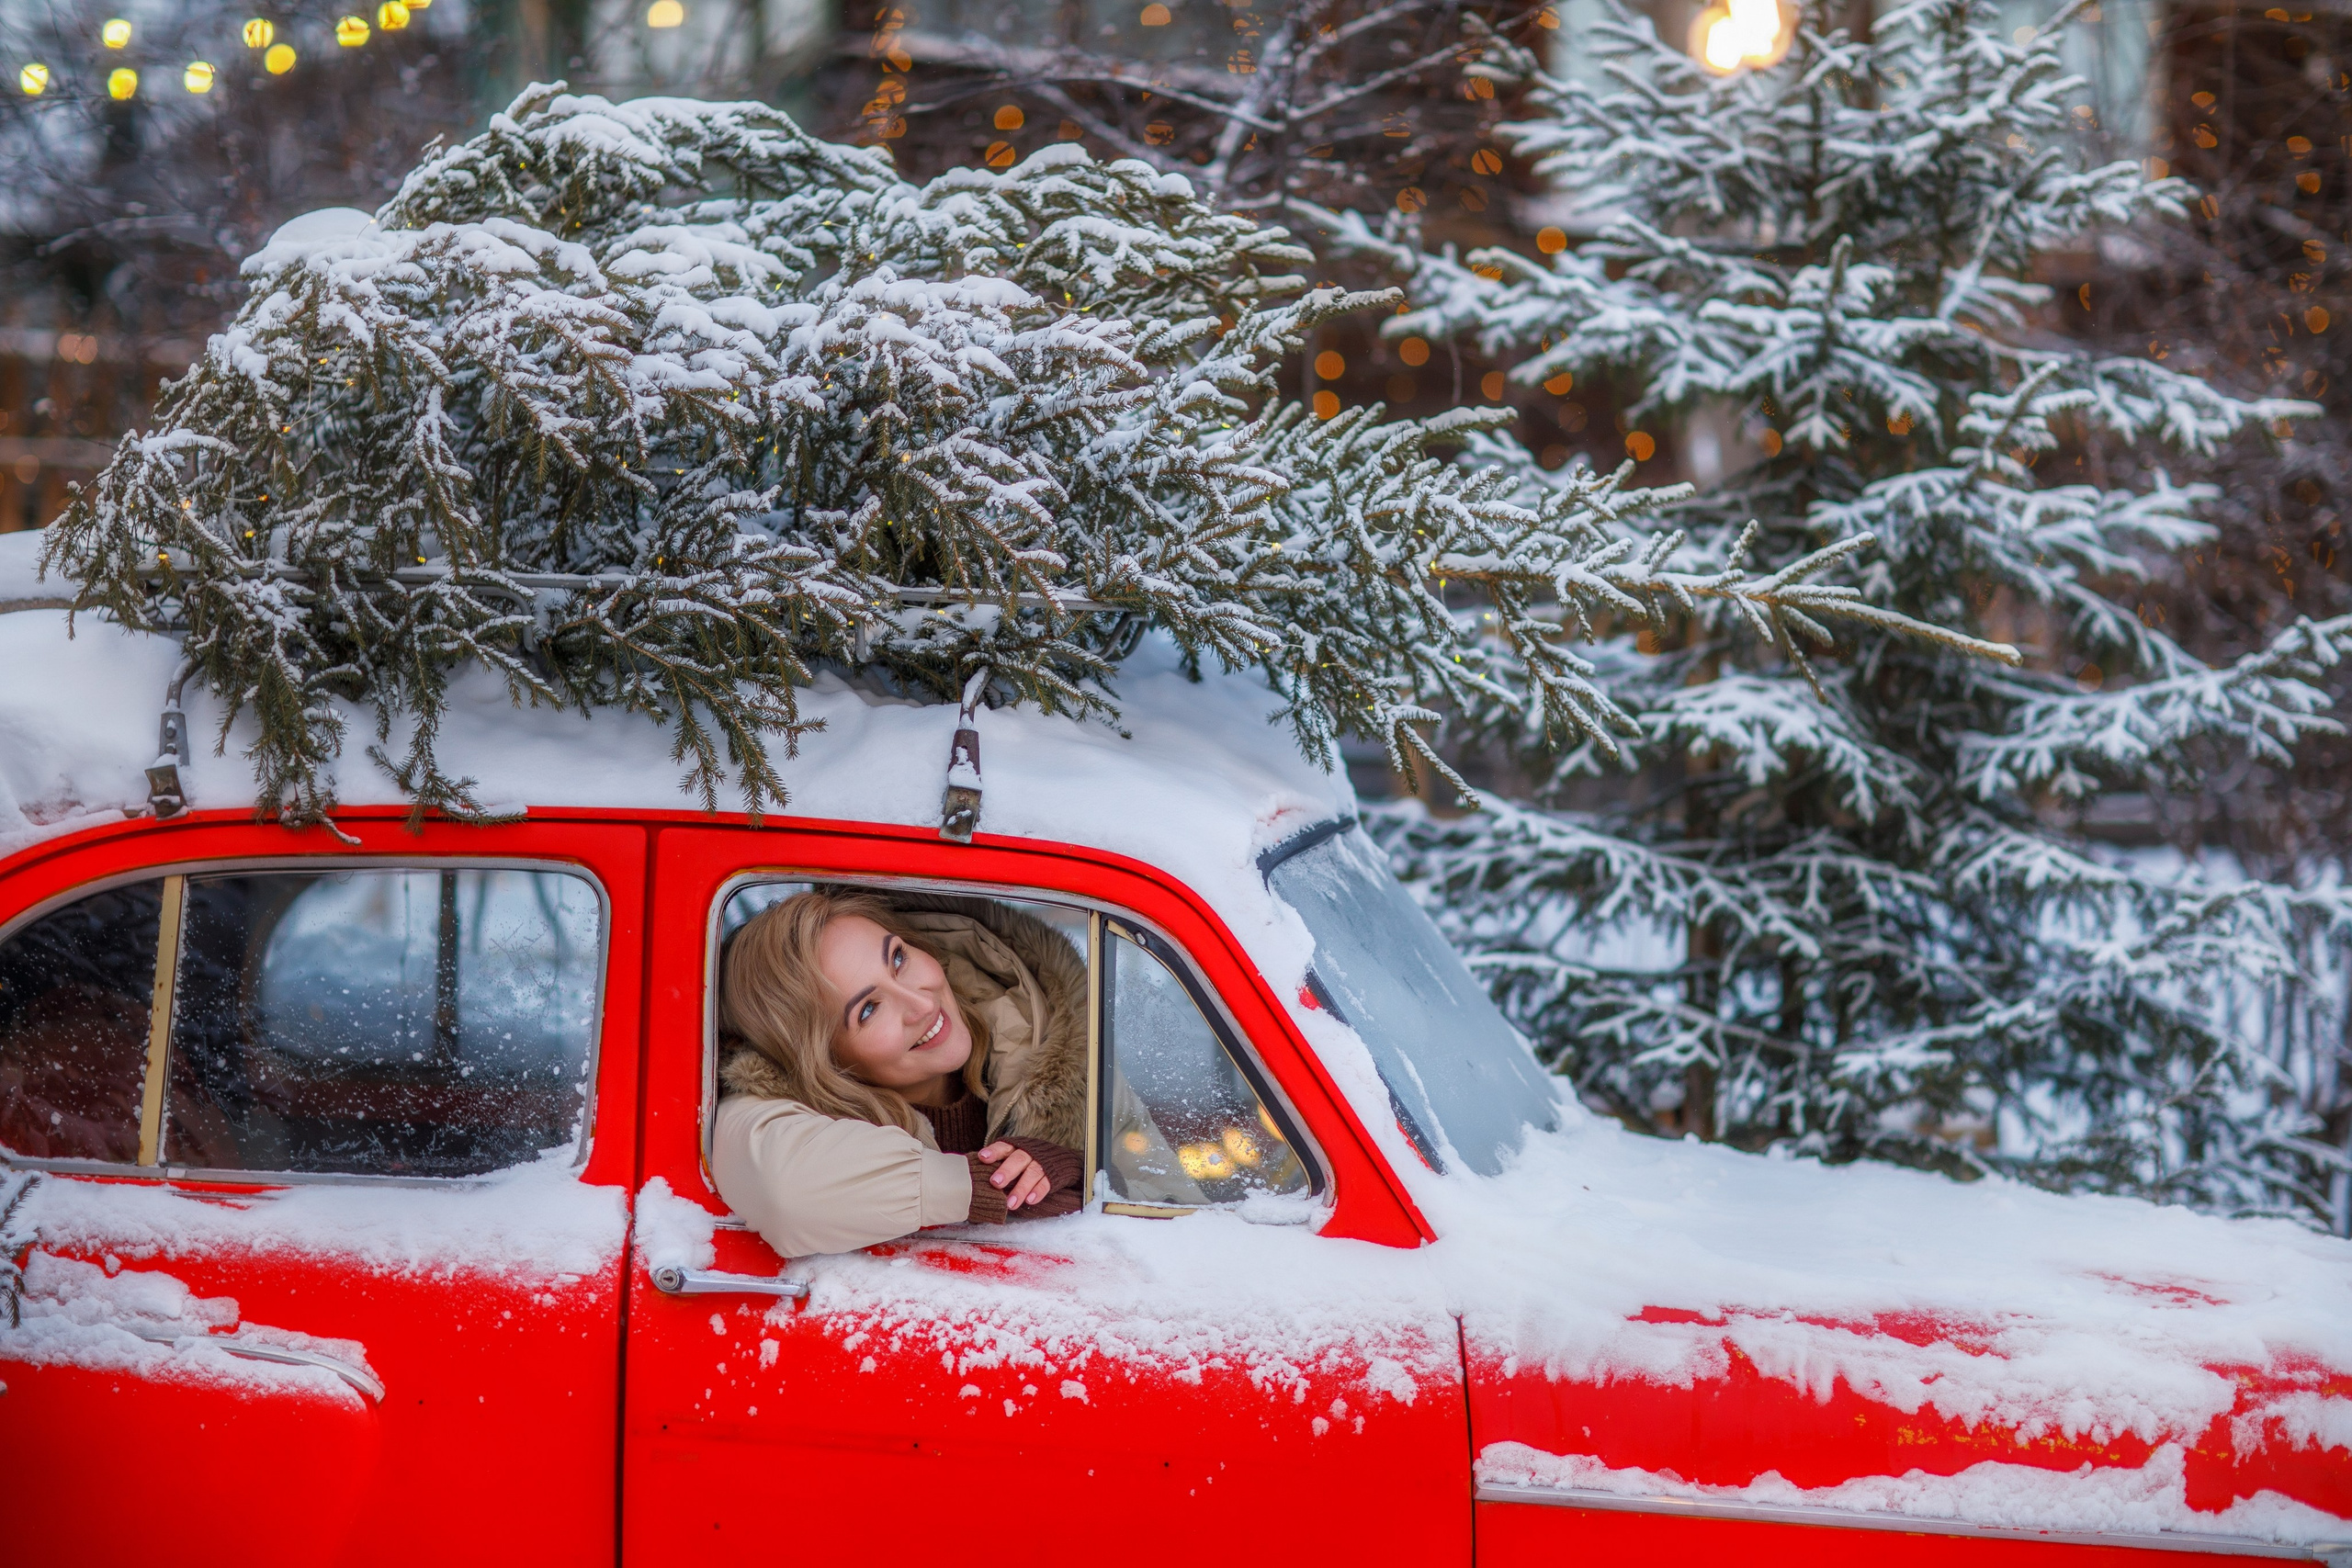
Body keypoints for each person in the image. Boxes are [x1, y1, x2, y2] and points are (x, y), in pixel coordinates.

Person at [711, 886, 1090, 1258]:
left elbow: (1138, 1184)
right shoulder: (780, 1123)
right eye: (868, 1009)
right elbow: (785, 1192)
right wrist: (984, 1185)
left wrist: (1068, 1164)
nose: (922, 1003)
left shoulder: (1056, 1037)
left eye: (897, 959)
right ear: (824, 1060)